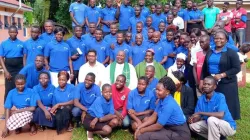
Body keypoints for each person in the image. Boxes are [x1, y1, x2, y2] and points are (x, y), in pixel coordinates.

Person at [200, 31, 241, 120]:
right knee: (214, 102)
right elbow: (204, 68)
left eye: (221, 38)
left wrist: (222, 75)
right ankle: (213, 120)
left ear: (226, 40)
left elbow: (236, 68)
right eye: (216, 38)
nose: (218, 40)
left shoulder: (231, 53)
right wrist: (202, 81)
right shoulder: (210, 52)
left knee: (227, 103)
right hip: (212, 82)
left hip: (226, 83)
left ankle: (228, 123)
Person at [0, 25, 24, 105]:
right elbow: (1, 58)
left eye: (14, 32)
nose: (13, 34)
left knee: (20, 87)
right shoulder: (4, 43)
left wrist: (23, 70)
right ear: (8, 33)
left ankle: (20, 107)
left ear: (17, 33)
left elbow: (24, 57)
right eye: (11, 32)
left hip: (19, 68)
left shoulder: (21, 43)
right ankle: (7, 108)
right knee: (9, 89)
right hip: (9, 69)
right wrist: (5, 71)